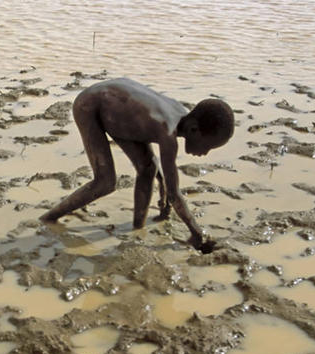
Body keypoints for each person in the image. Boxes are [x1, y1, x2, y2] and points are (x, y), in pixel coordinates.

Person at [40, 78, 234, 254]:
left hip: (119, 112)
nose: (204, 153)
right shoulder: (167, 132)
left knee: (148, 169)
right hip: (91, 106)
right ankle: (49, 218)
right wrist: (196, 232)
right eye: (207, 146)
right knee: (105, 182)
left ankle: (137, 228)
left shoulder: (181, 115)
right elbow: (175, 193)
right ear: (193, 129)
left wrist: (161, 185)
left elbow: (161, 170)